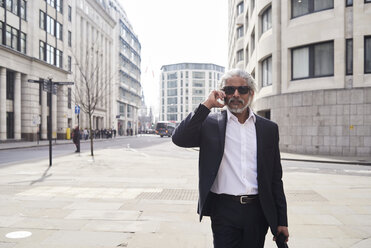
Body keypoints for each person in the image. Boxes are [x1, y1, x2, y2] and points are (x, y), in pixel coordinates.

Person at [172, 69, 289, 248]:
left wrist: (282, 219)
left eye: (242, 89)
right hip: (223, 209)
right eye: (229, 90)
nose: (235, 94)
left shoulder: (268, 129)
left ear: (251, 93)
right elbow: (179, 138)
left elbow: (275, 177)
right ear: (222, 94)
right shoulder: (210, 124)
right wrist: (207, 105)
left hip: (257, 211)